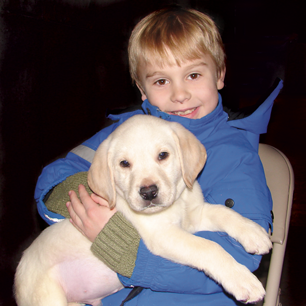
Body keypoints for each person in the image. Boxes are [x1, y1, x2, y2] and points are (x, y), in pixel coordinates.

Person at [35, 6, 283, 306]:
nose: (180, 94)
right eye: (161, 81)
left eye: (193, 74)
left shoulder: (235, 158)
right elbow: (56, 176)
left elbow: (239, 254)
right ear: (142, 89)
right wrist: (88, 203)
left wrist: (125, 248)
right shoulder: (121, 135)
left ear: (219, 75)